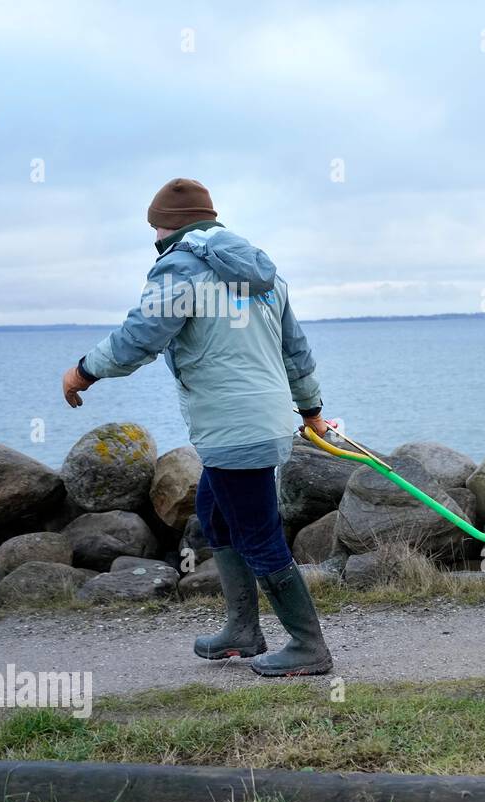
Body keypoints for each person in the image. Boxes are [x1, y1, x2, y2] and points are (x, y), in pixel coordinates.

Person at [61, 177, 335, 675]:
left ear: (165, 226)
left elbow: (140, 337)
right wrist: (311, 409)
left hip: (235, 430)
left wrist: (84, 370)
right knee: (216, 515)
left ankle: (308, 647)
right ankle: (242, 631)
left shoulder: (181, 270)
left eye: (153, 228)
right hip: (256, 423)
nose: (153, 237)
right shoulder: (265, 275)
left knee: (258, 535)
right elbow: (295, 352)